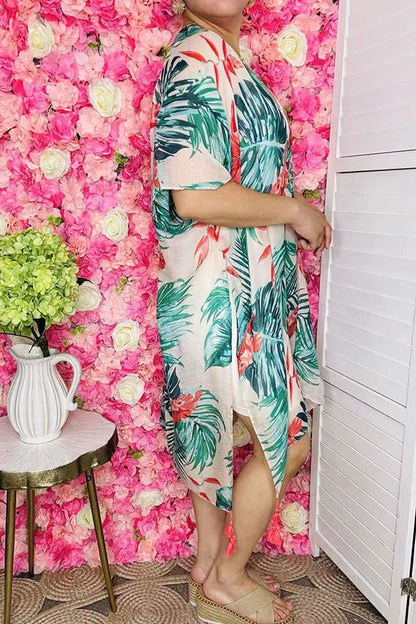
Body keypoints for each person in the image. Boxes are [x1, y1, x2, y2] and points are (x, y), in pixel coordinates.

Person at [150, 1, 332, 622]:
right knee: (290, 438)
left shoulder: (223, 59)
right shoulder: (196, 57)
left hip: (236, 291)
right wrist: (295, 210)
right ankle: (228, 579)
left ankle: (208, 565)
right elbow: (194, 196)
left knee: (214, 431)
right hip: (222, 295)